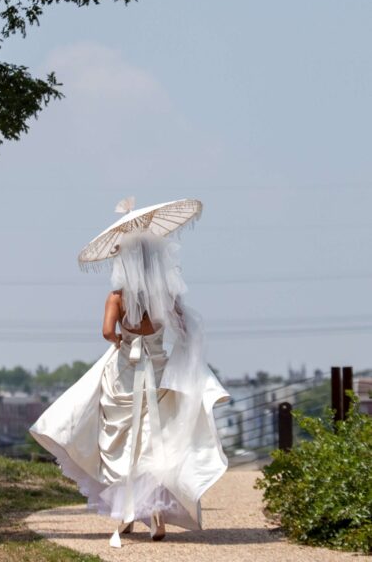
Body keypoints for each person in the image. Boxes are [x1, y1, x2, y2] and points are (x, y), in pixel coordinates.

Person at [30, 228, 228, 547]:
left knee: (124, 443)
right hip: (160, 370)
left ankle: (125, 514)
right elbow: (183, 328)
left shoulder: (117, 297)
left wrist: (124, 338)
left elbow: (107, 331)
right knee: (154, 440)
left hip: (125, 371)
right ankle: (156, 513)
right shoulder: (166, 294)